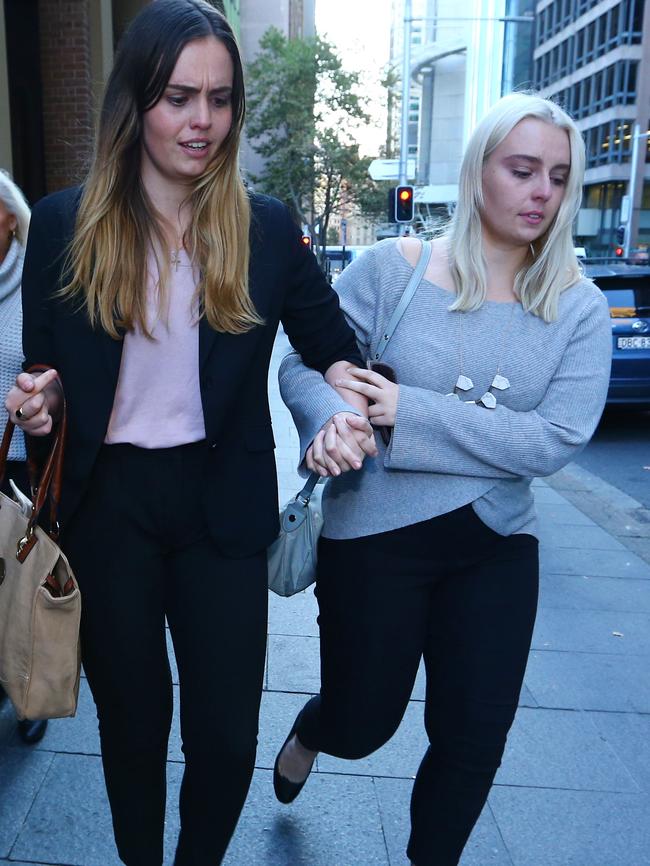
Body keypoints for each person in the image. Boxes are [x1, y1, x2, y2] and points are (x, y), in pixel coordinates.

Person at [4, 2, 374, 863]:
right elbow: (47, 378)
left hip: (222, 512)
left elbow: (337, 356)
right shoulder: (64, 224)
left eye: (219, 99)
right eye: (178, 97)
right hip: (111, 512)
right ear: (136, 102)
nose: (201, 121)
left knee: (225, 735)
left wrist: (349, 411)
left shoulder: (267, 228)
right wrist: (43, 403)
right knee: (131, 729)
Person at [274, 92, 613, 866]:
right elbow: (306, 361)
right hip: (373, 538)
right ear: (477, 170)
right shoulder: (390, 271)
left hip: (495, 543)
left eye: (559, 177)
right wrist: (329, 416)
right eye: (523, 170)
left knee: (472, 740)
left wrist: (408, 413)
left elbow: (555, 439)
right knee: (364, 725)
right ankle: (315, 729)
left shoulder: (578, 308)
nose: (542, 193)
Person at [0, 169, 48, 746]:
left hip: (23, 459)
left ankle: (30, 690)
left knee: (23, 577)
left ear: (9, 217)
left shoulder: (39, 282)